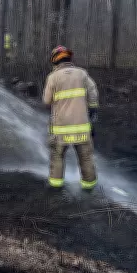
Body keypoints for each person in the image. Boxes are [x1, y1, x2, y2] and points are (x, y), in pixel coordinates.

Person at [42, 46, 99, 190]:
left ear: (54, 61)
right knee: (86, 158)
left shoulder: (53, 77)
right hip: (82, 127)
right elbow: (93, 93)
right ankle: (89, 188)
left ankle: (56, 187)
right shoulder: (82, 74)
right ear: (69, 58)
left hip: (61, 129)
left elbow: (46, 101)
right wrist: (92, 108)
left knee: (57, 157)